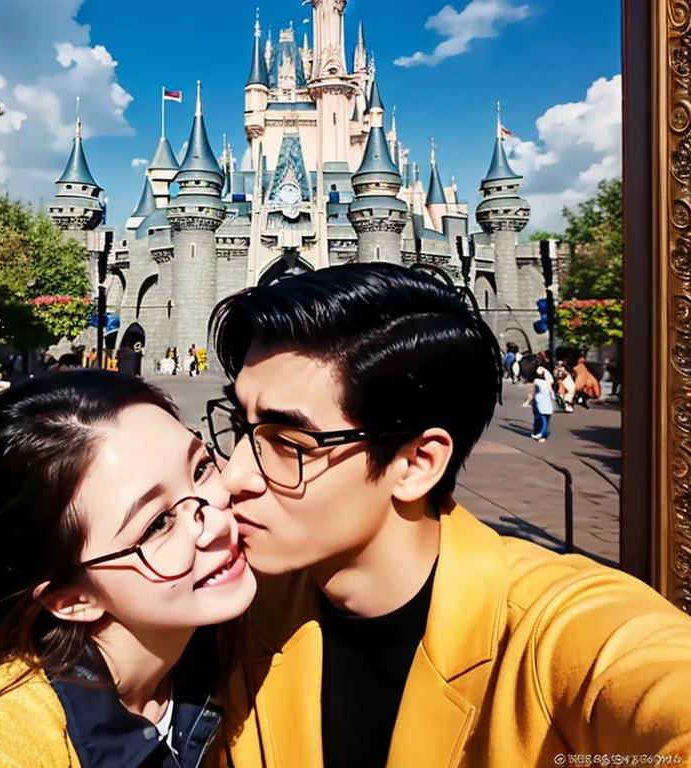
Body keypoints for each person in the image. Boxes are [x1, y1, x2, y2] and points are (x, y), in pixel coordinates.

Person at [205, 263, 691, 768]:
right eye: (241, 426)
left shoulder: (559, 633)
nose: (233, 475)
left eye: (287, 442)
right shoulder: (241, 608)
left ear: (416, 464)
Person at [0, 370, 256, 765]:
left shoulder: (236, 644)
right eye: (157, 524)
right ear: (71, 599)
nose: (217, 523)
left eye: (200, 469)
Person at [530, 365, 554, 442]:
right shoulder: (548, 383)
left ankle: (539, 433)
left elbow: (532, 391)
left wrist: (528, 400)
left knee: (540, 418)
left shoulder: (537, 381)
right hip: (547, 403)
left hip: (539, 402)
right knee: (545, 419)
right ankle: (542, 434)